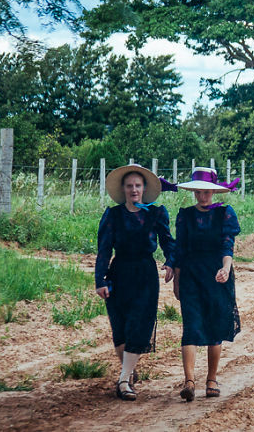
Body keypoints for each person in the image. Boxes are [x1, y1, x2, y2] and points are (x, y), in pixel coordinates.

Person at [95, 164, 176, 401]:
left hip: (145, 275)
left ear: (144, 188)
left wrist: (171, 261)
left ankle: (122, 381)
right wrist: (100, 280)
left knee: (138, 326)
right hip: (118, 274)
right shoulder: (113, 215)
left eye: (137, 185)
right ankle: (128, 371)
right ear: (123, 189)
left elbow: (168, 242)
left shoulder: (156, 213)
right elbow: (103, 250)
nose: (133, 190)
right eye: (129, 186)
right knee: (119, 329)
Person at [173, 167, 241, 401]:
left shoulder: (225, 213)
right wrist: (177, 279)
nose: (202, 197)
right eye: (198, 192)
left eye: (206, 192)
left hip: (216, 274)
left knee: (214, 326)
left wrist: (225, 268)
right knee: (190, 325)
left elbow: (227, 246)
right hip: (191, 274)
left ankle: (211, 378)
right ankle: (189, 381)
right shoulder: (185, 215)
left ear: (213, 192)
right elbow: (180, 248)